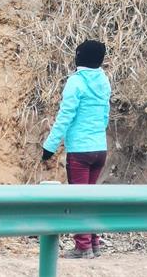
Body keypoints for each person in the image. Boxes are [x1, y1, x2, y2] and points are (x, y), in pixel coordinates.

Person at [41, 39, 111, 259]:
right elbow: (105, 116)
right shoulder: (104, 80)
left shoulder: (76, 82)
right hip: (100, 149)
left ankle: (83, 247)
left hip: (80, 151)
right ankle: (94, 243)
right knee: (90, 199)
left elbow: (65, 118)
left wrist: (49, 147)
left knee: (79, 200)